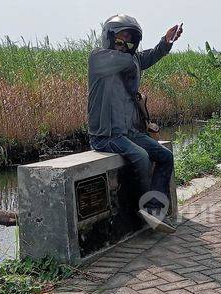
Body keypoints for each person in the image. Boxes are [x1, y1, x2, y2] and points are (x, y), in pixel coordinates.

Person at [88, 15, 183, 233]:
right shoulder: (99, 58)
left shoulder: (131, 60)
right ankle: (144, 210)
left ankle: (154, 209)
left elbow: (144, 58)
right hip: (107, 135)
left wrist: (165, 43)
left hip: (129, 132)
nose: (125, 44)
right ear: (109, 38)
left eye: (129, 40)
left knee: (165, 156)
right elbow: (136, 60)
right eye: (120, 39)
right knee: (141, 157)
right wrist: (138, 56)